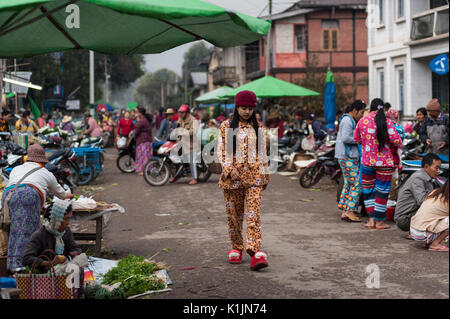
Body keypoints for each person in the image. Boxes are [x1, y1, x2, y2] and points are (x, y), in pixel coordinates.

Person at [217, 90, 270, 271]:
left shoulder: (259, 128)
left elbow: (263, 154)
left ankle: (255, 251)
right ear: (237, 107)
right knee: (234, 216)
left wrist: (265, 175)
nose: (247, 111)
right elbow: (222, 150)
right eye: (243, 108)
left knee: (253, 215)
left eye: (250, 108)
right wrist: (229, 169)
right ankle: (236, 247)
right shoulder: (226, 127)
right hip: (233, 179)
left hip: (255, 177)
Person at [1, 144, 73, 272]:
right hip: (28, 196)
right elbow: (62, 195)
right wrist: (71, 195)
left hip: (8, 196)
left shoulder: (16, 169)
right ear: (42, 161)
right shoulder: (46, 172)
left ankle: (12, 266)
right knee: (29, 232)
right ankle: (25, 267)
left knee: (13, 231)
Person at [354, 98, 402, 230]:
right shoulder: (388, 122)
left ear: (371, 108)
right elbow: (396, 140)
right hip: (385, 163)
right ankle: (380, 222)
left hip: (367, 162)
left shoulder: (362, 121)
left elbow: (356, 138)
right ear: (383, 109)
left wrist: (368, 146)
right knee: (382, 192)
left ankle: (370, 221)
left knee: (368, 190)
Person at [22, 199, 85, 297]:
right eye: (65, 219)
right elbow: (27, 258)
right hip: (44, 276)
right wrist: (50, 263)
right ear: (56, 219)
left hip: (61, 273)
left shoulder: (65, 232)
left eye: (69, 218)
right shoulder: (39, 235)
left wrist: (75, 253)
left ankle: (76, 296)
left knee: (78, 268)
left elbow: (74, 247)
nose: (68, 223)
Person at [335, 100, 366, 222]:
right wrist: (360, 139)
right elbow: (346, 138)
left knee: (349, 183)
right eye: (361, 112)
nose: (362, 115)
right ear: (355, 110)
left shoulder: (347, 119)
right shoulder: (348, 120)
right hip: (347, 156)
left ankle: (344, 210)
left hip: (344, 156)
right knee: (357, 183)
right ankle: (349, 210)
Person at [394, 153, 442, 232]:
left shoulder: (428, 178)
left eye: (439, 168)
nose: (438, 171)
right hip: (404, 219)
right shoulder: (418, 178)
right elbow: (422, 201)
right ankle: (418, 232)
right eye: (436, 168)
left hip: (411, 215)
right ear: (426, 166)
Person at [410, 181, 449, 252]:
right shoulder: (447, 199)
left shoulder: (435, 192)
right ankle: (435, 244)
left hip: (414, 230)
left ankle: (430, 242)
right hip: (422, 233)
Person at [170, 105, 199, 185]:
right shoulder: (180, 119)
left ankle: (195, 178)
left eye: (182, 112)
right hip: (181, 143)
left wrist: (183, 132)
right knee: (177, 159)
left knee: (191, 161)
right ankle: (176, 176)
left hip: (191, 145)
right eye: (180, 112)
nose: (180, 114)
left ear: (187, 113)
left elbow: (194, 131)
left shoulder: (193, 120)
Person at [134, 106, 153, 175]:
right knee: (148, 156)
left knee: (143, 156)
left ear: (140, 113)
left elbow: (136, 132)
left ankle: (143, 170)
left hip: (143, 141)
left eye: (137, 112)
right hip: (149, 140)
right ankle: (148, 169)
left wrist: (135, 137)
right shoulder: (147, 119)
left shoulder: (142, 121)